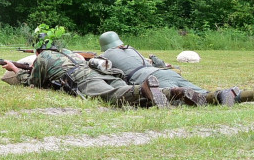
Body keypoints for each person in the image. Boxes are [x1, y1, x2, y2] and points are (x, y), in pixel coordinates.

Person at [97, 31, 243, 106]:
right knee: (200, 90)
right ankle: (234, 95)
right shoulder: (130, 48)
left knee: (179, 97)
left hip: (148, 79)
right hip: (164, 72)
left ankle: (211, 99)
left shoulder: (106, 55)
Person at [1, 48, 167, 107]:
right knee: (119, 88)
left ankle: (142, 89)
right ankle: (174, 92)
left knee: (109, 96)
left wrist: (15, 69)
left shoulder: (42, 58)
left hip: (82, 78)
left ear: (38, 51)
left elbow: (32, 83)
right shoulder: (66, 51)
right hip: (102, 72)